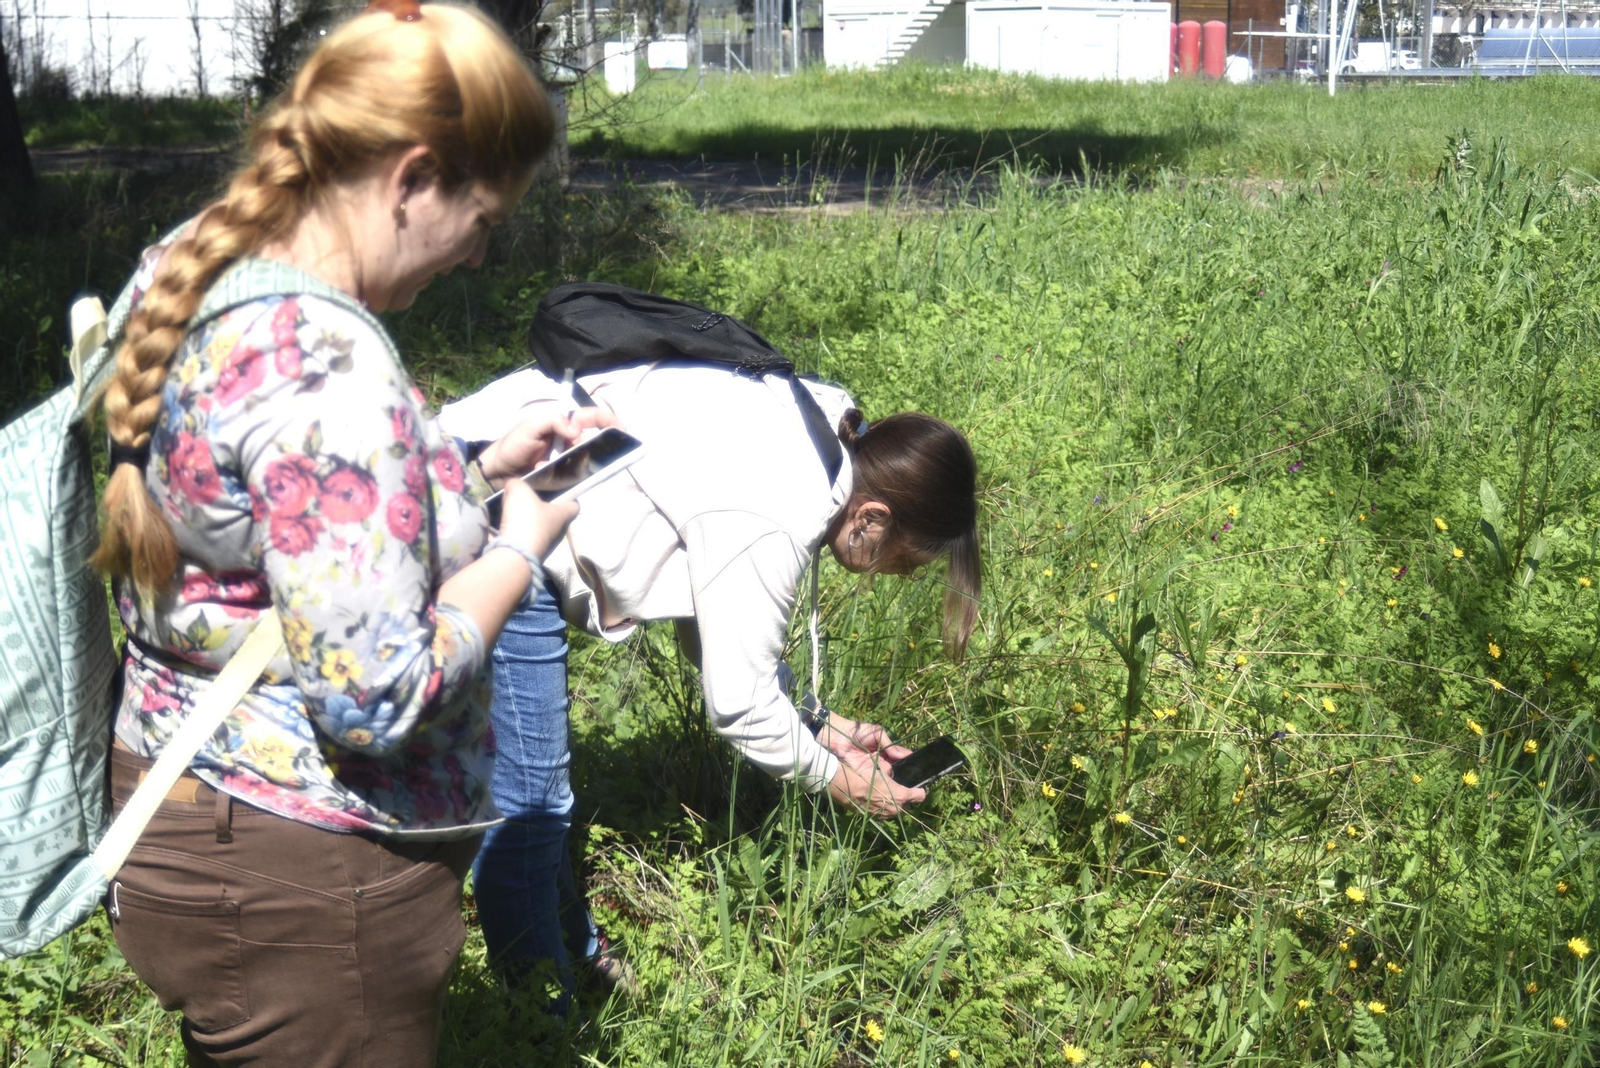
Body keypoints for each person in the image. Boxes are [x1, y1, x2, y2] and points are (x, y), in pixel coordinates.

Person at [90, 3, 602, 1064]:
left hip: (183, 804)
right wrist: (519, 541)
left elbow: (273, 523)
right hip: (304, 881)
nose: (474, 259)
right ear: (412, 179)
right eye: (486, 219)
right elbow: (375, 693)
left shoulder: (197, 263)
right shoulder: (332, 372)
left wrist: (471, 468)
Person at [438, 358, 982, 1007]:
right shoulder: (783, 503)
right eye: (906, 560)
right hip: (499, 507)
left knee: (541, 801)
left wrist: (821, 728)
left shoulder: (824, 435)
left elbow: (716, 626)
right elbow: (739, 704)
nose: (891, 576)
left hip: (510, 471)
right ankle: (540, 1018)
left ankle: (573, 959)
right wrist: (839, 780)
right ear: (872, 516)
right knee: (531, 808)